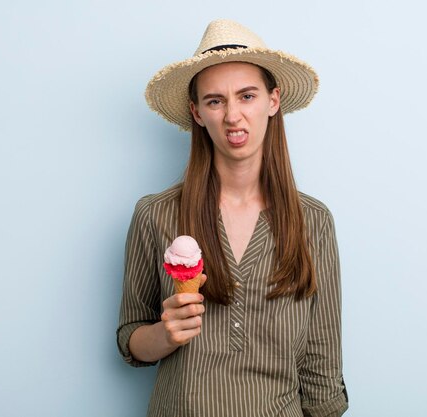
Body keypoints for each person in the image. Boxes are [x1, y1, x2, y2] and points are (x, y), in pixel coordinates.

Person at [117, 19, 348, 417]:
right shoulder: (155, 214)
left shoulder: (314, 221)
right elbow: (130, 339)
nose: (232, 116)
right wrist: (163, 334)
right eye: (215, 100)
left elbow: (321, 364)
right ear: (197, 113)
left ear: (273, 101)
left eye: (246, 96)